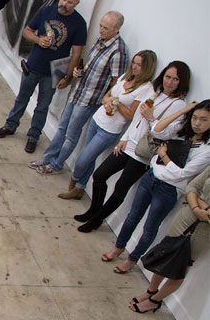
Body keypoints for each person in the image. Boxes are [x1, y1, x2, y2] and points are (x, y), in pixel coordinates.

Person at [76, 61, 191, 233]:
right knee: (99, 175)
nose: (169, 82)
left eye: (175, 79)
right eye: (168, 77)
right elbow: (137, 118)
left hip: (144, 152)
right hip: (129, 144)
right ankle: (93, 211)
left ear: (182, 82)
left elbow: (165, 133)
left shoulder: (179, 105)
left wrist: (151, 117)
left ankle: (96, 220)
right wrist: (124, 138)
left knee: (120, 188)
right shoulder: (155, 92)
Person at [103, 100, 210, 274]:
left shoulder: (206, 149)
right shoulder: (182, 130)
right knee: (132, 217)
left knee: (150, 227)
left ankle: (132, 259)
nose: (197, 123)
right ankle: (118, 247)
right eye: (195, 118)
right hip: (151, 177)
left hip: (169, 189)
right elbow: (157, 130)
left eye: (204, 120)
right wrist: (184, 110)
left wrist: (164, 156)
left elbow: (181, 174)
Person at [29, 11, 127, 176]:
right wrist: (77, 73)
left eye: (106, 28)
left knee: (71, 135)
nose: (101, 30)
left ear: (117, 29)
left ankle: (56, 164)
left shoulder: (118, 51)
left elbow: (116, 83)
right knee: (62, 128)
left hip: (89, 100)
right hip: (78, 92)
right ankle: (47, 158)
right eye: (101, 26)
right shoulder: (100, 41)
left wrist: (106, 99)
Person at [0, 0, 88, 153]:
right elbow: (27, 31)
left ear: (77, 3)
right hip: (33, 66)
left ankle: (33, 136)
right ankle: (10, 125)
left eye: (69, 2)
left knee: (43, 106)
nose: (64, 4)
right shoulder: (46, 11)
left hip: (53, 73)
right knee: (21, 99)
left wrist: (68, 77)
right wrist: (38, 40)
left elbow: (76, 53)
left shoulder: (79, 24)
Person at [62, 50, 157, 201]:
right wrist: (109, 101)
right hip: (98, 119)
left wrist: (116, 103)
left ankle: (74, 180)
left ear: (147, 68)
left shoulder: (146, 88)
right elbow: (106, 96)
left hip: (110, 130)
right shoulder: (125, 77)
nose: (134, 66)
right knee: (90, 157)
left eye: (139, 65)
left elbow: (131, 115)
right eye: (134, 62)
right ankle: (80, 188)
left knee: (83, 160)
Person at [130, 165, 209, 313]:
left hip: (204, 231)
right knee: (165, 253)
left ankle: (155, 301)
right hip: (187, 215)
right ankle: (151, 291)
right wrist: (198, 208)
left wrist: (199, 202)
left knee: (181, 266)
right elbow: (192, 187)